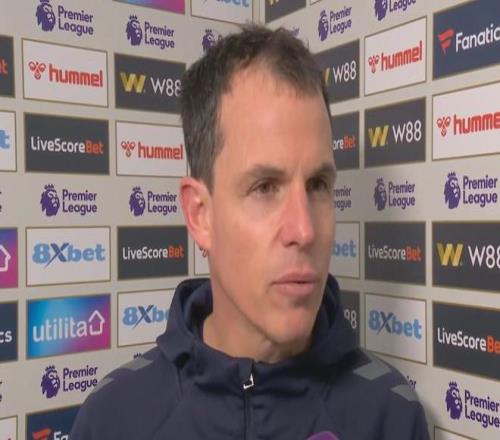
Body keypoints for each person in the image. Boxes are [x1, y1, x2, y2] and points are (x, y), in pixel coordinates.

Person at [70, 25, 430, 439]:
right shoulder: (114, 419)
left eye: (318, 185)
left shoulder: (390, 416)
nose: (304, 230)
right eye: (264, 188)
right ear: (200, 215)